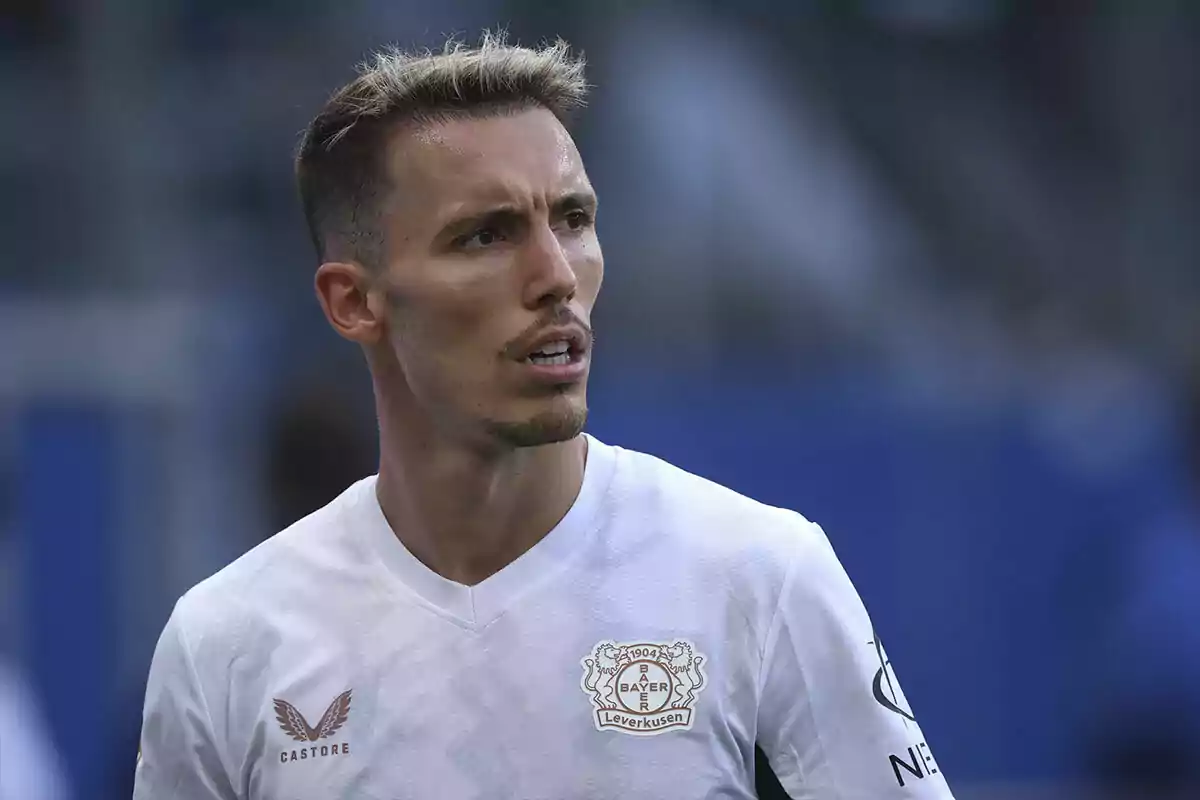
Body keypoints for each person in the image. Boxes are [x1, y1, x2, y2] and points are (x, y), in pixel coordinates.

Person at [133, 33, 955, 799]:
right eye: (486, 236)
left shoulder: (761, 579)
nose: (556, 275)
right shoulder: (226, 647)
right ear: (355, 302)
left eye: (573, 219)